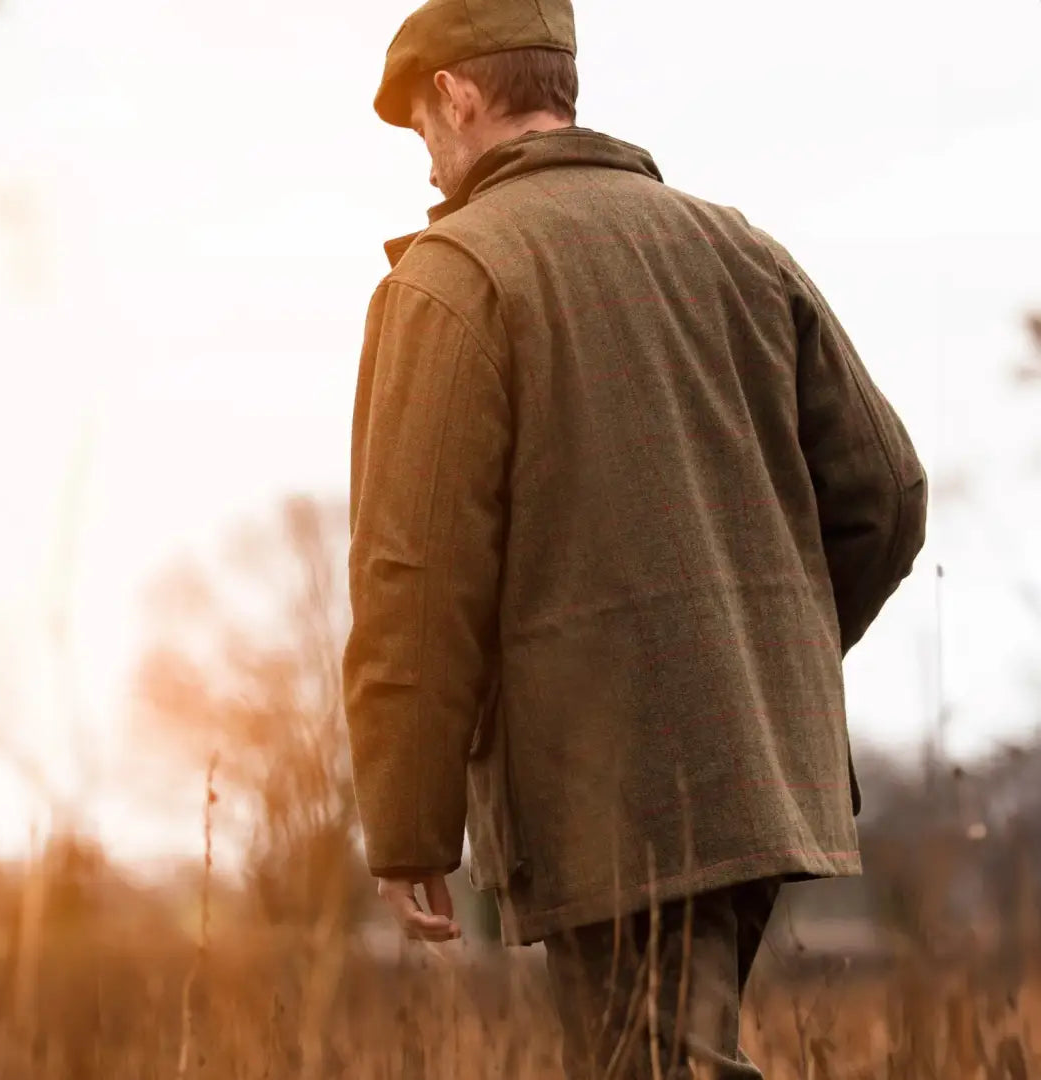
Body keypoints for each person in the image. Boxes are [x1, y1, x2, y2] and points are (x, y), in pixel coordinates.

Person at [342, 1, 928, 1076]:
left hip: (606, 789)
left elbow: (414, 581)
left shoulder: (452, 277)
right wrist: (758, 666)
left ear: (458, 95)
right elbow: (886, 496)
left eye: (420, 127)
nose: (426, 166)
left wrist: (409, 824)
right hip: (754, 774)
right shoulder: (740, 248)